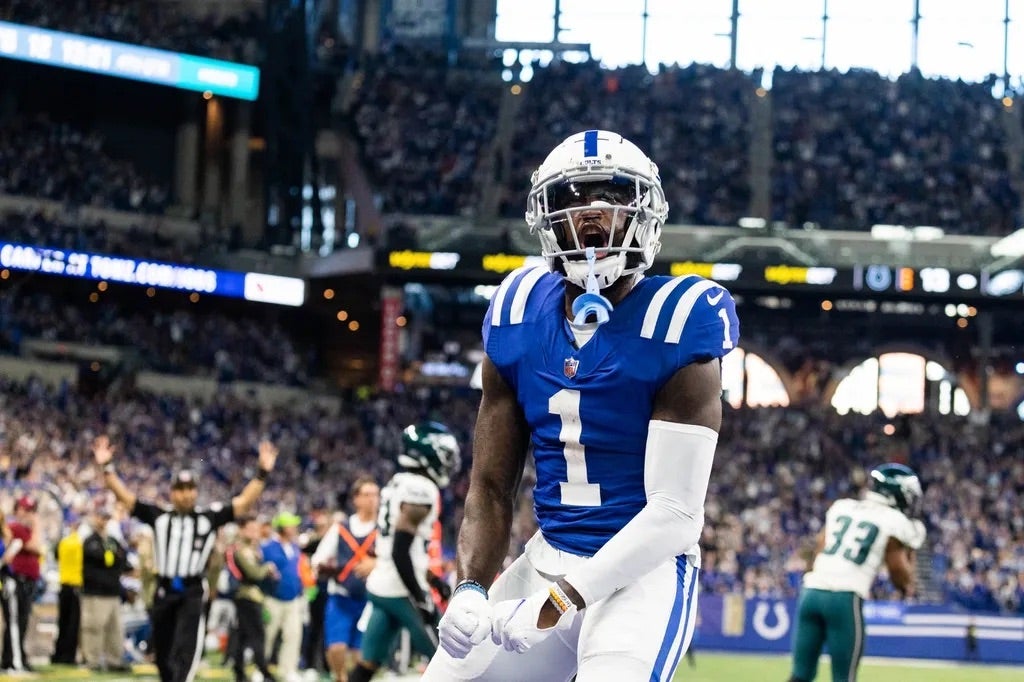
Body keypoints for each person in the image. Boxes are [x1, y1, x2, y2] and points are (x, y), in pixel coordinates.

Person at [424, 129, 739, 681]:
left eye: (612, 196)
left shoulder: (680, 319)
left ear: (645, 214)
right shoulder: (518, 310)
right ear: (546, 220)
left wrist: (558, 602)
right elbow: (490, 486)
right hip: (549, 557)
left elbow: (675, 514)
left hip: (643, 575)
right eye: (572, 199)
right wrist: (471, 588)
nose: (591, 212)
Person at [93, 434, 279, 682]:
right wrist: (106, 466)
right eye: (180, 490)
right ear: (172, 493)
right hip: (165, 588)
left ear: (196, 492)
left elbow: (243, 504)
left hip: (192, 590)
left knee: (186, 646)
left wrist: (262, 473)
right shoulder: (160, 517)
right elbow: (126, 499)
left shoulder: (207, 519)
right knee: (163, 651)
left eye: (190, 489)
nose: (186, 495)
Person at [788, 463, 926, 682]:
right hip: (844, 598)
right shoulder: (895, 521)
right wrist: (909, 564)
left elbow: (819, 550)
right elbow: (899, 573)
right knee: (844, 678)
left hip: (811, 593)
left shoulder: (842, 507)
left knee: (800, 676)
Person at [348, 423, 461, 682]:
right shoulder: (421, 488)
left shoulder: (397, 482)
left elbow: (404, 550)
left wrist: (432, 580)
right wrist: (420, 596)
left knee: (366, 666)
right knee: (449, 659)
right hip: (400, 590)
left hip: (382, 585)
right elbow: (400, 551)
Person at [311, 477, 380, 682]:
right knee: (336, 648)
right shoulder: (341, 528)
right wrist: (330, 569)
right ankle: (340, 677)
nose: (372, 499)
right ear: (356, 499)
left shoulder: (384, 530)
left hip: (370, 600)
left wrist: (376, 564)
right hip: (341, 597)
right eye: (366, 495)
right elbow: (318, 559)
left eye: (375, 495)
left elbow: (395, 559)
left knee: (362, 655)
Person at [80, 500, 131, 672]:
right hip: (95, 592)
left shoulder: (112, 540)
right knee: (93, 628)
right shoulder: (89, 540)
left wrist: (112, 556)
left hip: (113, 591)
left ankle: (114, 660)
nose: (104, 521)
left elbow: (123, 558)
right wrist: (112, 556)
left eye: (106, 518)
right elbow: (98, 556)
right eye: (101, 517)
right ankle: (92, 660)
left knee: (115, 630)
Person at [228, 515, 279, 682]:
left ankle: (239, 672)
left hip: (250, 596)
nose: (256, 533)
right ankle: (263, 671)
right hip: (247, 596)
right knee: (257, 634)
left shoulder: (252, 548)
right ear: (242, 530)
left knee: (243, 635)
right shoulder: (241, 549)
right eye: (252, 529)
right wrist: (267, 568)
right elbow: (253, 573)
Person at [262, 510, 310, 682]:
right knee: (267, 635)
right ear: (283, 528)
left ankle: (288, 670)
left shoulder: (295, 547)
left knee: (293, 635)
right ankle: (261, 668)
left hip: (293, 599)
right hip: (273, 598)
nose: (295, 528)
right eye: (291, 525)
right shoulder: (268, 547)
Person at [1, 495, 44, 673]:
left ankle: (16, 658)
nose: (29, 514)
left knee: (21, 621)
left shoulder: (23, 529)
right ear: (17, 510)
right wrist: (37, 524)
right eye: (25, 510)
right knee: (16, 621)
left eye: (31, 511)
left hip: (27, 581)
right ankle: (13, 661)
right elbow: (36, 546)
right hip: (17, 580)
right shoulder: (15, 527)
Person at [51, 514, 85, 665]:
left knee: (62, 622)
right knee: (73, 624)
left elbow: (56, 556)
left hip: (63, 584)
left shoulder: (63, 542)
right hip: (75, 585)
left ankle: (58, 654)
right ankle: (68, 656)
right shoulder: (79, 542)